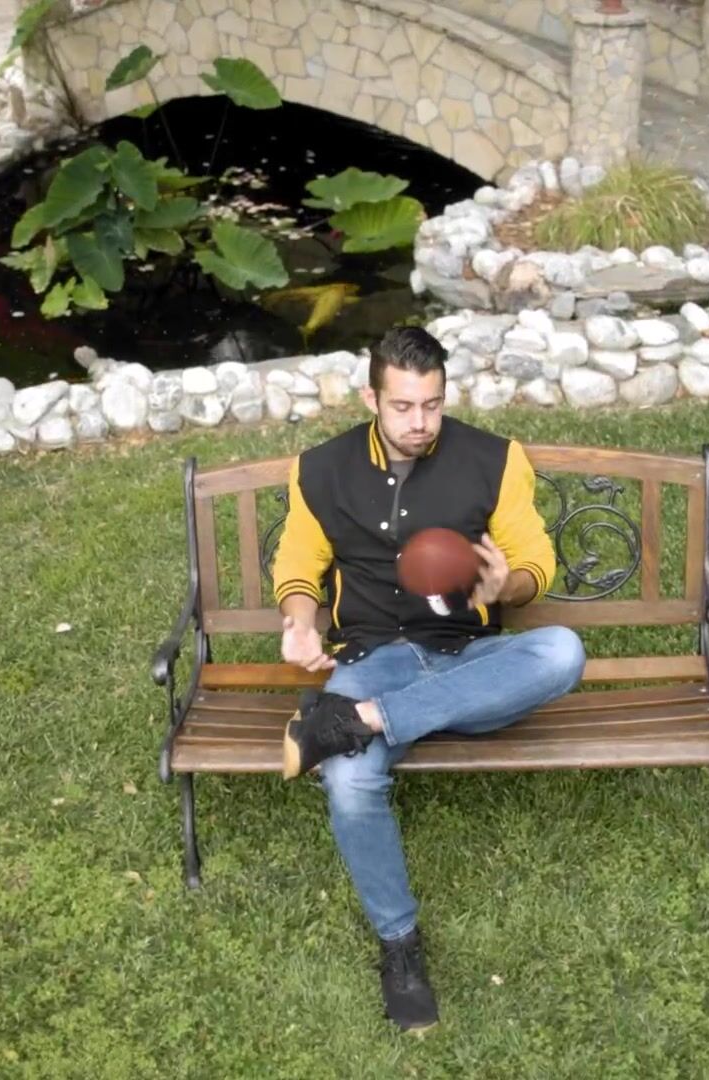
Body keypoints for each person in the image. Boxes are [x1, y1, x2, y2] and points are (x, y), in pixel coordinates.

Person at [271, 326, 588, 1031]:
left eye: (434, 405)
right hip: (372, 657)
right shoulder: (321, 469)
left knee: (562, 651)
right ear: (371, 399)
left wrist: (508, 586)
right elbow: (298, 563)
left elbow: (534, 562)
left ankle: (359, 722)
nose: (420, 422)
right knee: (349, 783)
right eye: (403, 406)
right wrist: (300, 620)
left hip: (467, 659)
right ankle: (400, 946)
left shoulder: (495, 459)